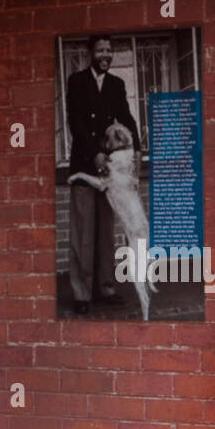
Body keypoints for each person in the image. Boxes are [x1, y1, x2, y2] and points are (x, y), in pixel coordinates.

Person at [65, 34, 140, 315]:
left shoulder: (117, 85)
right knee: (83, 233)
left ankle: (105, 288)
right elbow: (76, 122)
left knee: (105, 231)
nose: (106, 55)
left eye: (109, 50)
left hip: (108, 168)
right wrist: (93, 152)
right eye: (101, 50)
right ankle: (81, 293)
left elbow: (127, 117)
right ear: (91, 53)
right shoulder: (76, 82)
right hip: (85, 164)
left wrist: (137, 149)